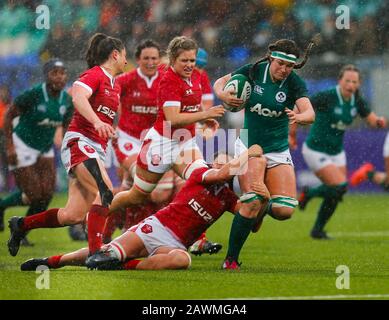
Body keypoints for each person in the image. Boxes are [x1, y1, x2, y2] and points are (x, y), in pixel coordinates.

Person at [20, 144, 267, 271]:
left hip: (173, 245)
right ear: (215, 162)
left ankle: (121, 265)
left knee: (182, 261)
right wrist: (248, 153)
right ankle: (52, 261)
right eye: (223, 161)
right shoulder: (202, 171)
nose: (227, 168)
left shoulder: (227, 197)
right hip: (155, 228)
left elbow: (252, 224)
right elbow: (224, 171)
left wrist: (262, 201)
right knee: (108, 251)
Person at [7, 33, 127, 256]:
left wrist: (109, 129)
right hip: (79, 143)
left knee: (73, 215)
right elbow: (78, 97)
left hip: (94, 147)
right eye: (125, 57)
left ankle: (21, 225)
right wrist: (96, 121)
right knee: (106, 191)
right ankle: (95, 253)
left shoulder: (115, 85)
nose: (126, 62)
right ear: (115, 55)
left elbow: (100, 113)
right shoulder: (94, 75)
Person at [213, 38, 316, 268]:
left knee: (284, 211)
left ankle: (261, 209)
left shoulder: (294, 82)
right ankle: (231, 260)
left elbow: (310, 113)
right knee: (252, 200)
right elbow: (220, 81)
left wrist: (299, 117)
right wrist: (222, 94)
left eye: (289, 66)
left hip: (278, 149)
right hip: (249, 145)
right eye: (280, 64)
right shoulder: (253, 70)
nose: (284, 70)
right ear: (271, 58)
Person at [109, 36, 225, 213]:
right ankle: (101, 217)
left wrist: (204, 119)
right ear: (172, 60)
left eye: (192, 60)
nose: (189, 65)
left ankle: (194, 238)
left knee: (199, 183)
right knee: (138, 195)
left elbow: (192, 105)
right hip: (160, 143)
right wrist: (205, 114)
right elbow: (173, 119)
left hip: (185, 141)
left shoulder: (196, 77)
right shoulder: (168, 80)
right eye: (184, 60)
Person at [299, 64, 386, 239]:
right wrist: (292, 131)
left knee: (337, 192)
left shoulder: (357, 100)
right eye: (347, 81)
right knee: (340, 186)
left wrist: (379, 121)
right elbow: (303, 107)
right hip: (316, 148)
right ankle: (310, 194)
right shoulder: (328, 95)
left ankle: (317, 229)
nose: (351, 85)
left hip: (336, 151)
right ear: (340, 80)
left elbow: (370, 119)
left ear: (359, 84)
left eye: (354, 82)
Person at [0, 60, 73, 243]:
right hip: (22, 144)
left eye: (63, 73)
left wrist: (68, 152)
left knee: (47, 195)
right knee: (34, 194)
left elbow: (66, 128)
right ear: (46, 75)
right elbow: (9, 115)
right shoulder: (33, 94)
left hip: (45, 147)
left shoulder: (67, 100)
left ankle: (21, 231)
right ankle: (1, 206)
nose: (59, 77)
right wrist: (9, 146)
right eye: (55, 73)